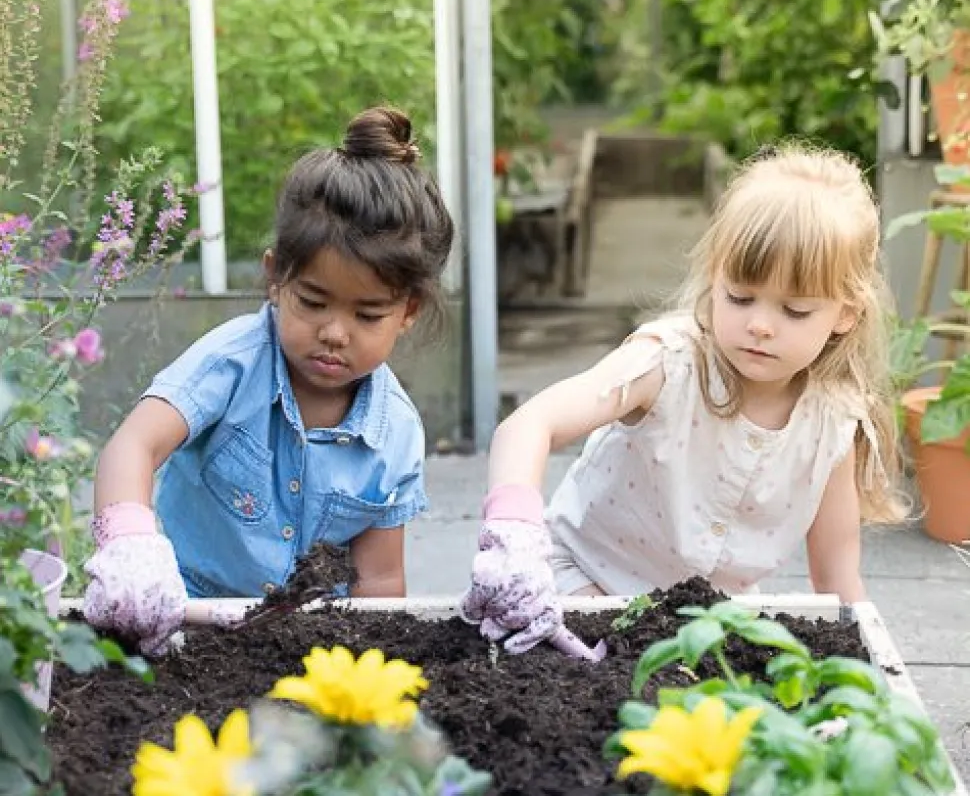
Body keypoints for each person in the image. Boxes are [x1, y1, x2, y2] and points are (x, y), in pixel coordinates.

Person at [461, 144, 908, 658]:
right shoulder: (666, 365)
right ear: (715, 277)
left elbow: (836, 579)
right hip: (582, 585)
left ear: (846, 314)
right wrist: (513, 528)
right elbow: (529, 425)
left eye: (794, 309)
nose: (760, 324)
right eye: (740, 297)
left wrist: (870, 673)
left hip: (703, 622)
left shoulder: (833, 420)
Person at [83, 106, 454, 654]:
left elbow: (378, 583)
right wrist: (129, 545)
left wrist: (376, 669)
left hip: (309, 644)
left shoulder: (394, 434)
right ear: (276, 277)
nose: (334, 332)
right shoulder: (231, 364)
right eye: (313, 301)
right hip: (181, 625)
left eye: (367, 315)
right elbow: (132, 447)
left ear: (408, 311)